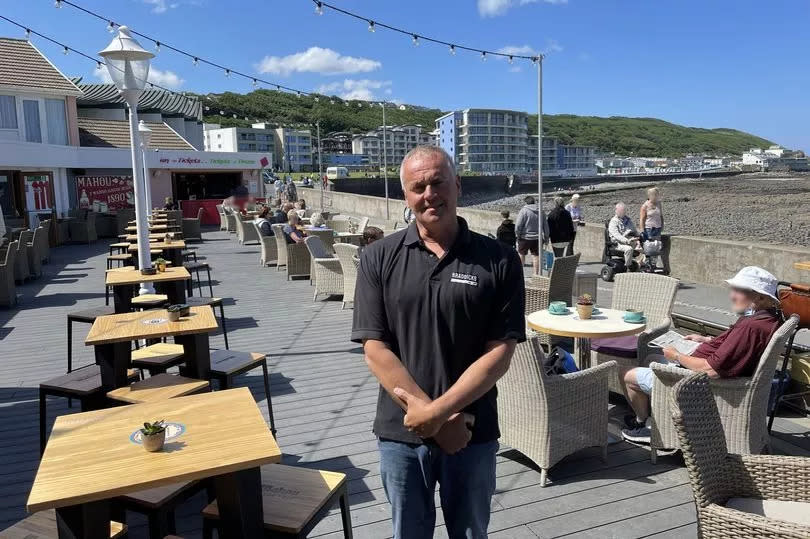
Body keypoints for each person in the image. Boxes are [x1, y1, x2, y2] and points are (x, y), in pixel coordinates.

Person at [351, 146, 525, 538]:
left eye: (438, 182)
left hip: (472, 432)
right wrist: (432, 419)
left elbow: (499, 353)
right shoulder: (378, 257)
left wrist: (438, 414)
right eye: (418, 186)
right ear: (406, 196)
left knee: (470, 533)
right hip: (401, 432)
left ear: (457, 185)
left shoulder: (499, 259)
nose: (429, 193)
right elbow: (375, 348)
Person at [620, 266, 782, 444]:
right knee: (651, 359)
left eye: (738, 291)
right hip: (704, 375)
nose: (732, 295)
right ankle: (659, 415)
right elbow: (733, 345)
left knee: (626, 374)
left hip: (700, 386)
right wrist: (705, 340)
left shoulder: (751, 327)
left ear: (759, 296)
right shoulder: (763, 317)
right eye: (732, 289)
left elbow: (711, 370)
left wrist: (677, 356)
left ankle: (649, 428)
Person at [515, 196, 549, 275]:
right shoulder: (541, 211)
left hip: (525, 237)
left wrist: (518, 235)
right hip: (538, 238)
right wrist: (546, 238)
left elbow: (518, 226)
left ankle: (520, 274)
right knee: (536, 256)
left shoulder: (523, 211)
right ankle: (535, 275)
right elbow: (545, 226)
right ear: (534, 202)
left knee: (521, 255)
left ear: (526, 202)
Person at [608, 202, 640, 268]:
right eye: (620, 211)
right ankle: (628, 267)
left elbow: (634, 231)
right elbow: (617, 236)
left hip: (630, 240)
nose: (622, 213)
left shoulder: (628, 220)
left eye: (623, 211)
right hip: (617, 244)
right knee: (629, 249)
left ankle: (641, 264)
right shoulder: (613, 222)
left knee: (644, 247)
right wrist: (627, 241)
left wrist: (639, 237)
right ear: (616, 211)